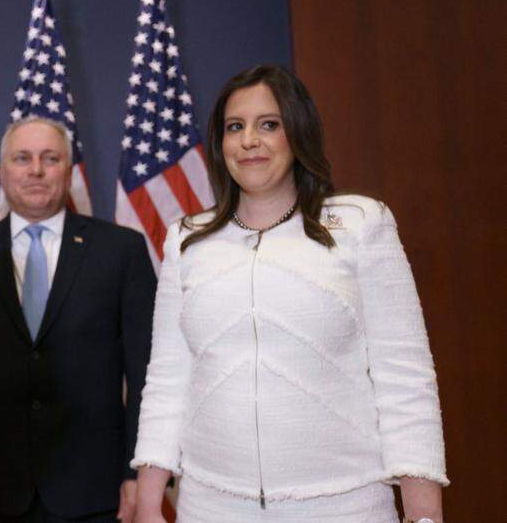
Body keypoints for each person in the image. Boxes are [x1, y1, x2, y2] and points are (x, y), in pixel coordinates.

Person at [130, 65, 448, 523]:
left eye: (269, 125)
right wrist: (148, 499)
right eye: (235, 127)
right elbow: (167, 378)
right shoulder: (187, 240)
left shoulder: (362, 223)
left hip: (344, 505)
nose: (249, 140)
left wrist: (424, 511)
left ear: (297, 133)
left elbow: (405, 374)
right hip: (211, 506)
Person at [0, 117, 157, 523]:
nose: (36, 170)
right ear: (2, 171)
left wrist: (140, 471)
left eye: (50, 158)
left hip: (97, 490)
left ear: (69, 169)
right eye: (22, 158)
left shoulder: (122, 251)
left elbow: (147, 371)